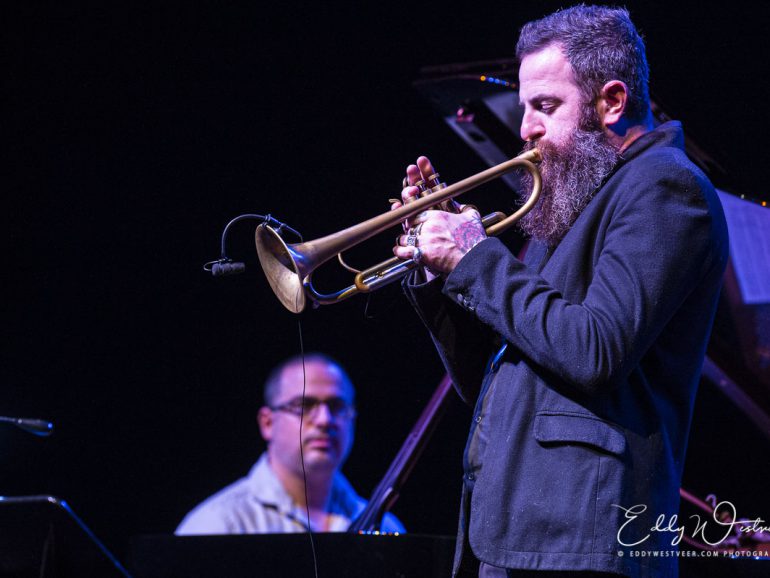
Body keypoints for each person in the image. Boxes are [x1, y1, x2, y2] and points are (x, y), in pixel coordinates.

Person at [392, 5, 728, 578]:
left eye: (545, 106)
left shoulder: (667, 188)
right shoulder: (573, 197)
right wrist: (439, 274)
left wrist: (475, 256)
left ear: (612, 101)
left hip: (585, 541)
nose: (525, 128)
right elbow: (498, 382)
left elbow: (595, 351)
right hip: (517, 536)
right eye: (526, 107)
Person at [176, 353, 405, 534]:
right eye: (304, 405)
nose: (325, 420)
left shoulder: (384, 528)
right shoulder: (219, 524)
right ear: (267, 423)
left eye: (337, 406)